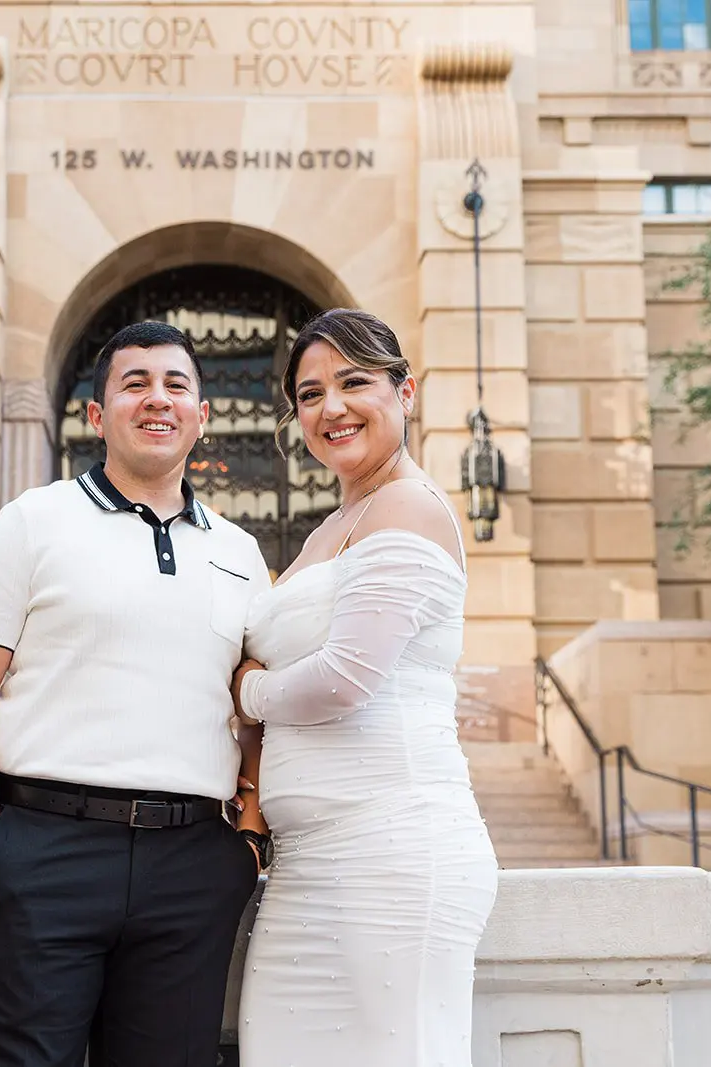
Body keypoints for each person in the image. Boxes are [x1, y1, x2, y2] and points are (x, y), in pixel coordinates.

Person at [0, 320, 273, 1067]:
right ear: (97, 415)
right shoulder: (33, 522)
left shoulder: (240, 552)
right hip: (42, 849)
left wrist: (246, 839)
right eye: (135, 383)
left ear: (202, 413)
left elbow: (258, 706)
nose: (158, 399)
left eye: (176, 385)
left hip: (192, 863)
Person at [230, 307, 499, 1065]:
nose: (331, 407)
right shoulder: (329, 528)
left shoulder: (409, 505)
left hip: (396, 853)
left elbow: (345, 681)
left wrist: (247, 691)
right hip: (308, 864)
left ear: (405, 393)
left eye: (354, 382)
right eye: (310, 394)